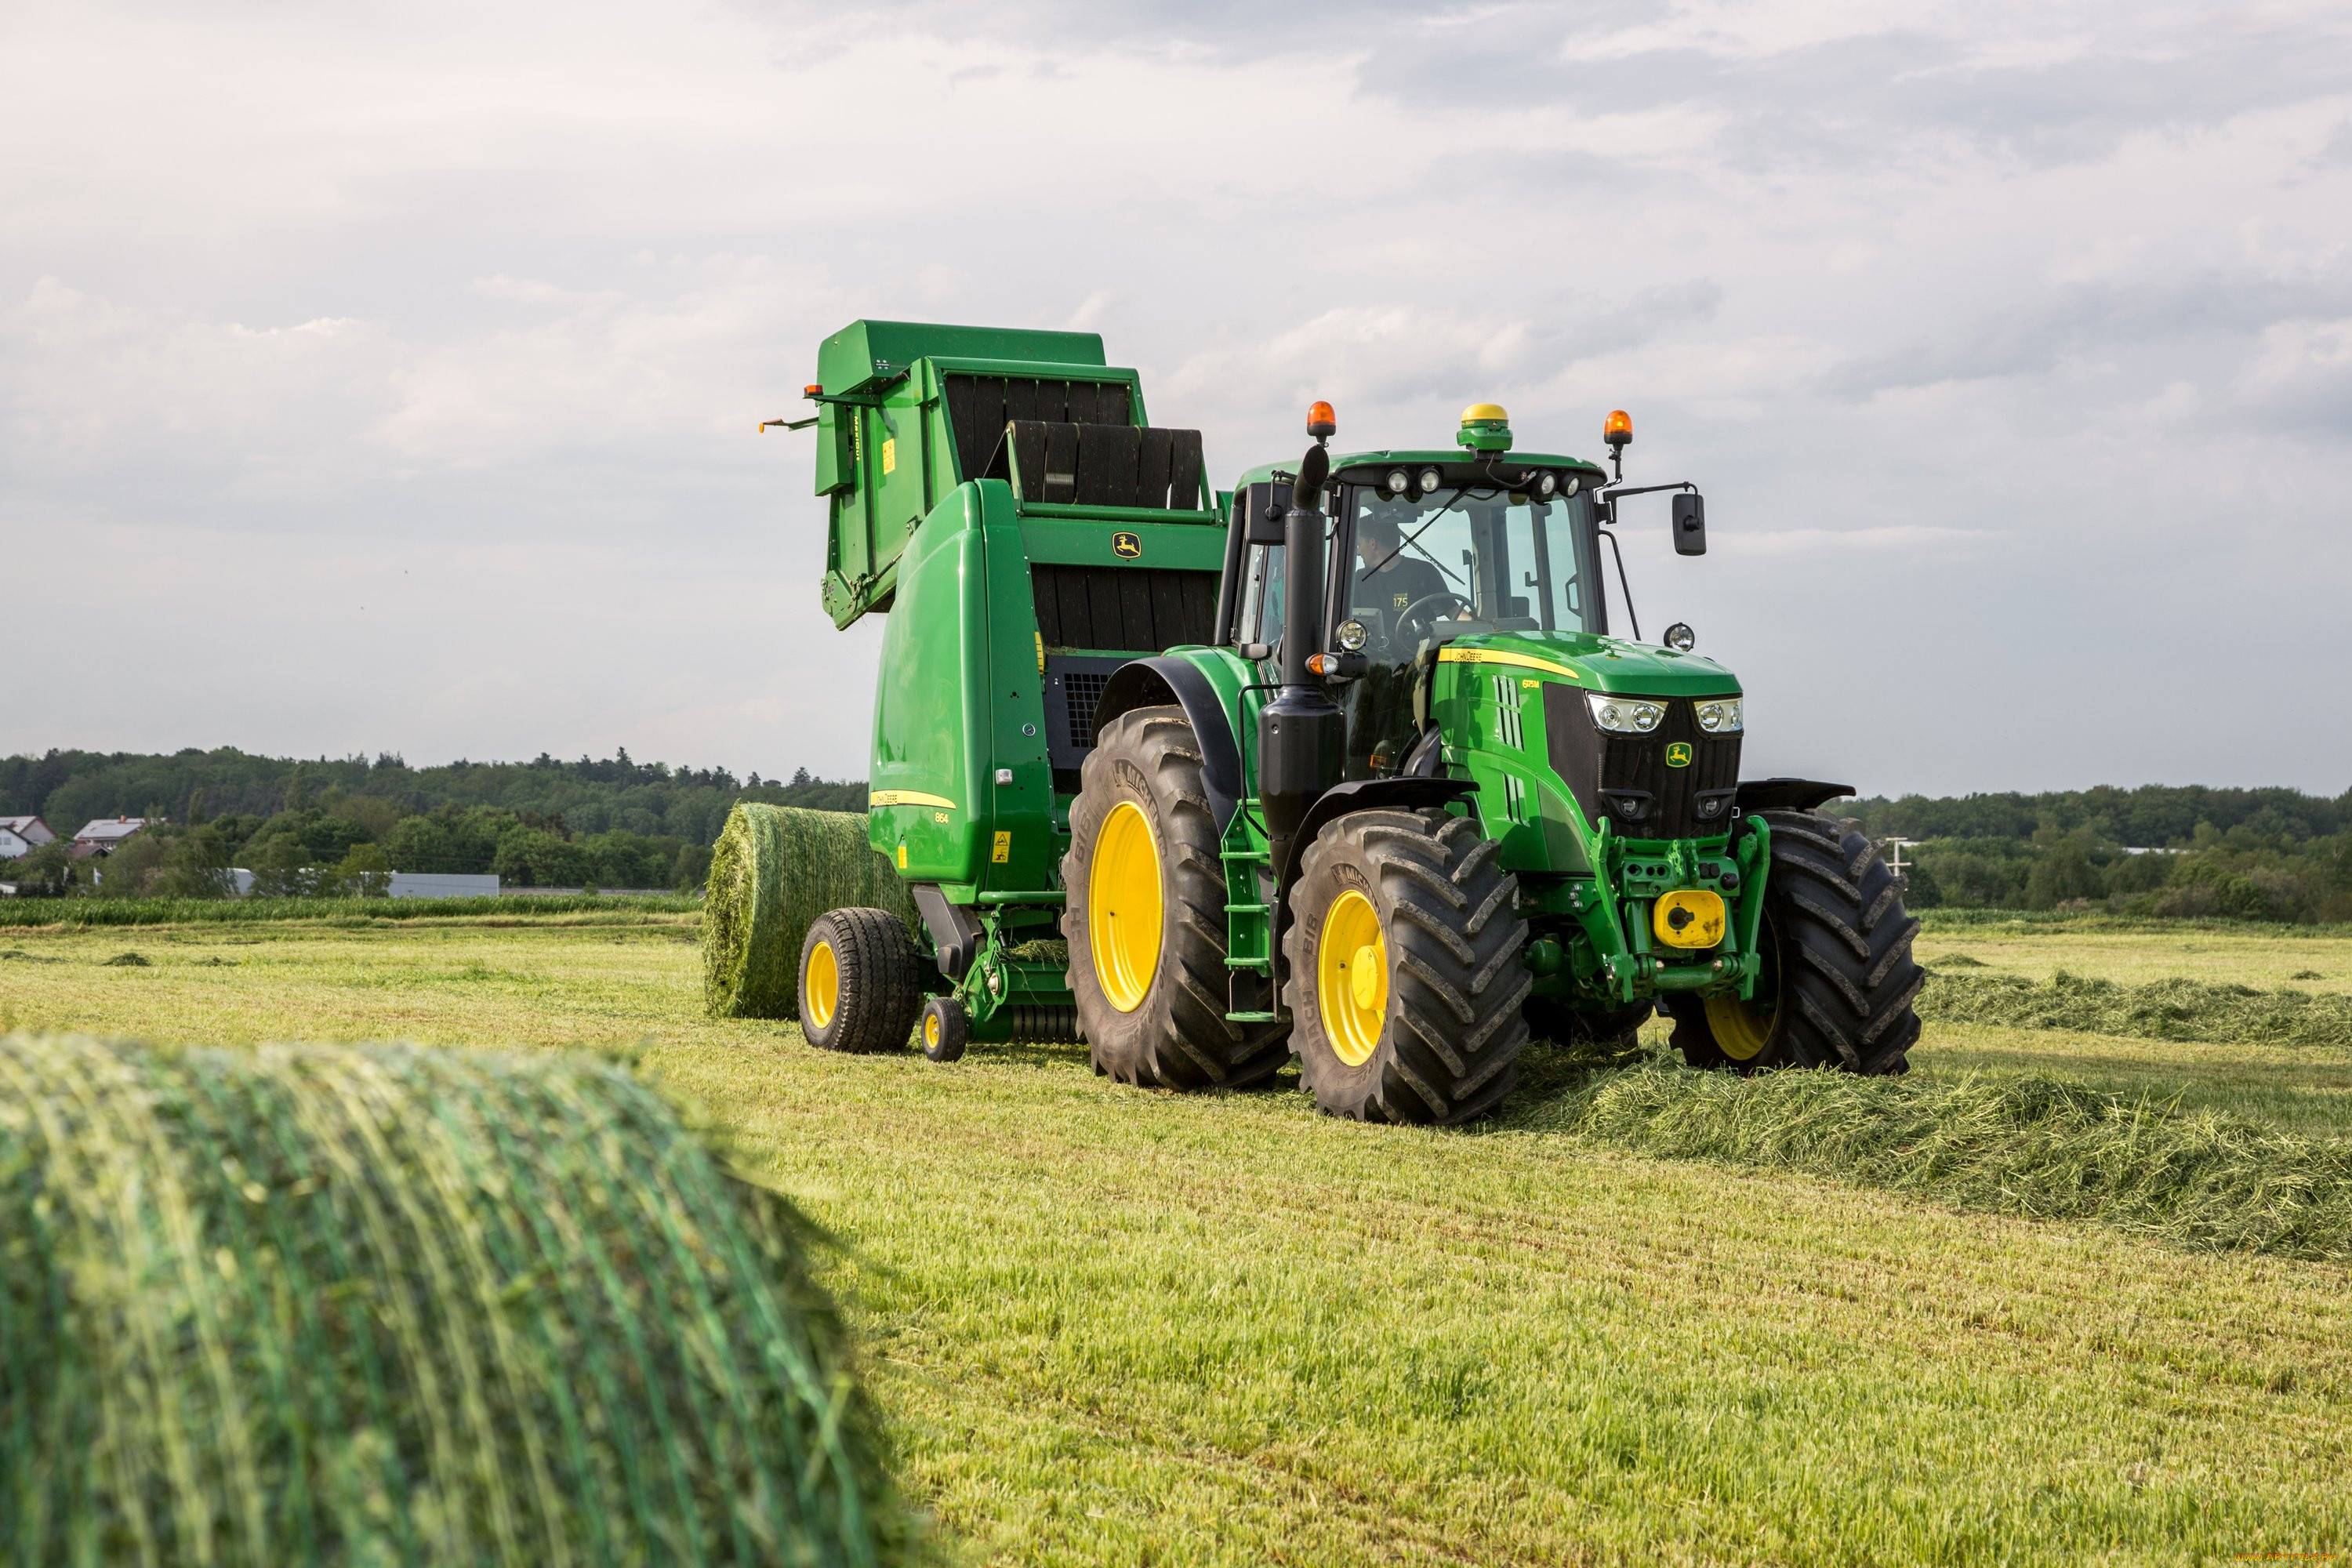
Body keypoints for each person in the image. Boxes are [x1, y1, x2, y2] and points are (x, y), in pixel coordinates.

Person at [1352, 511, 1457, 637]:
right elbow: (1347, 623)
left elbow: (1456, 614)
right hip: (1372, 656)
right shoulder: (1360, 580)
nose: (1358, 552)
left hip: (1421, 656)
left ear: (1373, 543)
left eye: (1359, 545)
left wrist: (1480, 627)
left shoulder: (1423, 573)